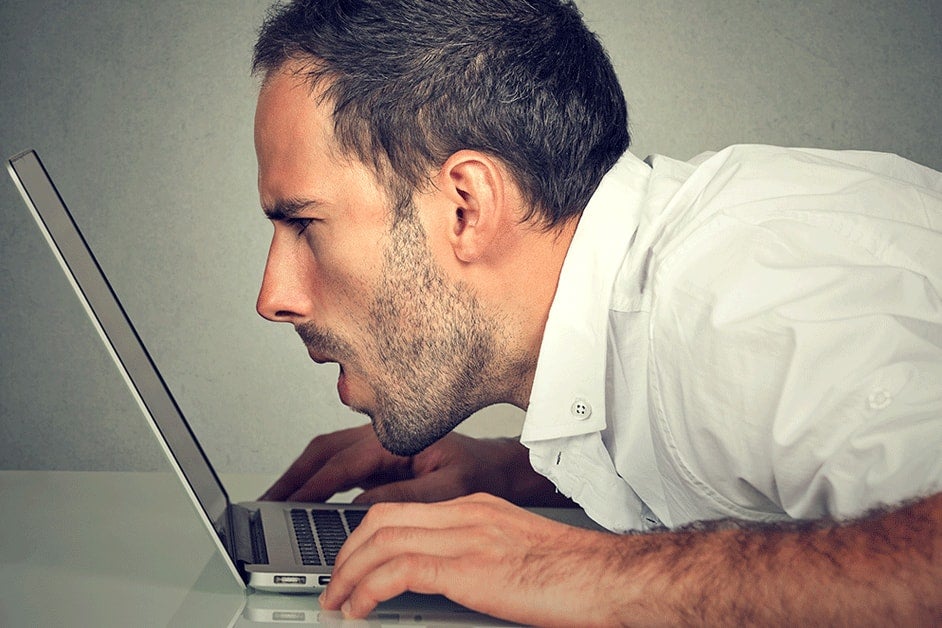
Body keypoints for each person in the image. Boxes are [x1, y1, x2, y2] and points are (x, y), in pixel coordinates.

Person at [250, 0, 942, 624]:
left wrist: (569, 567)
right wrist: (518, 473)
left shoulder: (735, 300)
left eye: (305, 224)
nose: (273, 296)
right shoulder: (654, 308)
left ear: (467, 207)